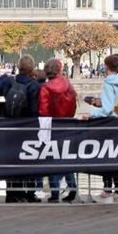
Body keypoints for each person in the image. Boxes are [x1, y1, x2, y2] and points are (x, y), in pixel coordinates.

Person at [80, 54, 118, 204]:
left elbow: (106, 109)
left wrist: (91, 114)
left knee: (108, 156)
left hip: (110, 123)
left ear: (106, 67)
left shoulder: (108, 83)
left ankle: (112, 189)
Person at [38, 58, 78, 203]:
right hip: (67, 124)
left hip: (52, 126)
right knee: (66, 158)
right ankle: (72, 188)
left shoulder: (46, 88)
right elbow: (74, 103)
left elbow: (43, 111)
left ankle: (55, 193)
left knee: (52, 159)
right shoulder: (68, 84)